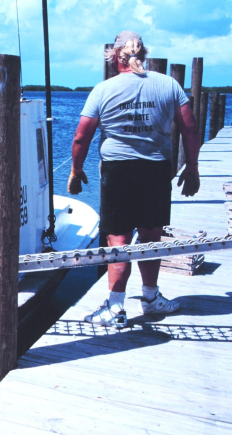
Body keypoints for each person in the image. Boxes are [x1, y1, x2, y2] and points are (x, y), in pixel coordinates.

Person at [67, 31, 201, 329]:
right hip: (156, 170)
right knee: (151, 237)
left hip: (118, 172)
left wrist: (76, 171)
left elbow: (80, 137)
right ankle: (151, 298)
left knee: (119, 241)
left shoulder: (103, 89)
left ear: (116, 57)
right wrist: (192, 167)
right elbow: (190, 129)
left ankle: (115, 309)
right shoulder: (169, 85)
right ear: (145, 55)